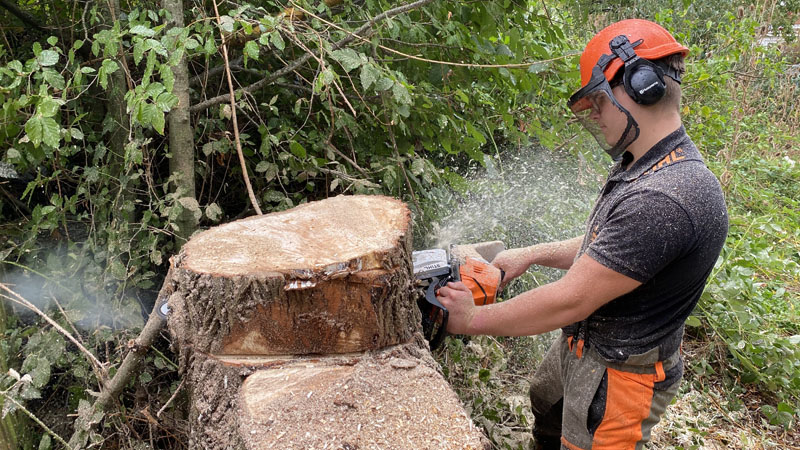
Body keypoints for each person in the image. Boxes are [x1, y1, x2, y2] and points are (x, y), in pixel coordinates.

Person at [436, 19, 728, 450]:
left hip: (619, 374)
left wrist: (473, 319)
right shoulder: (642, 161)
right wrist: (531, 255)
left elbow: (571, 297)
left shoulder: (669, 195)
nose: (592, 113)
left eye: (598, 100)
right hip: (584, 346)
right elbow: (611, 250)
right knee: (546, 410)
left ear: (640, 84)